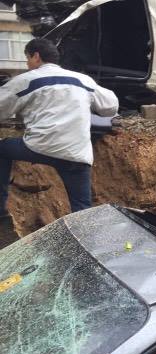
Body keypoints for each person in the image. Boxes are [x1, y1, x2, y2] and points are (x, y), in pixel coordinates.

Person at [0, 38, 119, 243]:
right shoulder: (83, 80)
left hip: (39, 147)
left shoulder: (26, 80)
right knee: (81, 209)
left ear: (36, 56)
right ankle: (86, 247)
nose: (28, 63)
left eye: (27, 58)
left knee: (2, 149)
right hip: (77, 153)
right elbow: (110, 107)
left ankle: (1, 210)